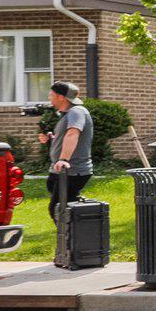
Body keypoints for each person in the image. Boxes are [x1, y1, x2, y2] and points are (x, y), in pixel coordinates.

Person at [41, 82, 95, 233]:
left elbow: (73, 133)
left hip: (73, 170)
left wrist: (63, 160)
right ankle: (70, 244)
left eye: (51, 95)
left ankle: (74, 243)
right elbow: (67, 136)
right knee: (62, 206)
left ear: (61, 97)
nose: (49, 98)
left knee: (58, 209)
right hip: (62, 170)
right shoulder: (68, 114)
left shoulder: (76, 112)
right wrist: (51, 139)